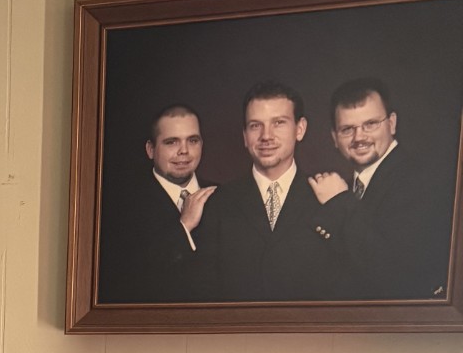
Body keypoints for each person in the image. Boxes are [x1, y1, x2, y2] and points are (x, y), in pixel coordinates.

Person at [307, 77, 451, 300]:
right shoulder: (346, 185)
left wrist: (339, 201)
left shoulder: (419, 180)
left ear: (391, 123)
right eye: (347, 129)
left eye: (370, 124)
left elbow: (396, 276)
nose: (359, 137)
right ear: (335, 138)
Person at [198, 82, 344, 300]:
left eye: (278, 123)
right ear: (245, 136)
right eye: (255, 126)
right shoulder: (217, 202)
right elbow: (205, 290)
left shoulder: (328, 197)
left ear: (300, 129)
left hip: (310, 332)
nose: (266, 136)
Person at [99, 104, 218, 302]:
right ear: (150, 150)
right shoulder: (120, 208)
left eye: (193, 140)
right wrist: (184, 226)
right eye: (171, 142)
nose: (184, 151)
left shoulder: (224, 196)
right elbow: (128, 282)